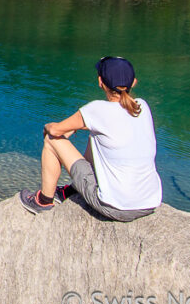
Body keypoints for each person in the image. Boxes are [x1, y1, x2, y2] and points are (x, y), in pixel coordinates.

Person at [19, 56, 162, 221]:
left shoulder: (96, 110)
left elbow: (56, 130)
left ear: (100, 82)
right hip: (149, 203)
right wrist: (77, 127)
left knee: (51, 140)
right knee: (96, 136)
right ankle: (73, 190)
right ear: (134, 82)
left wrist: (49, 127)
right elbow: (108, 124)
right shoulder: (142, 106)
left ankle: (43, 201)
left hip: (115, 207)